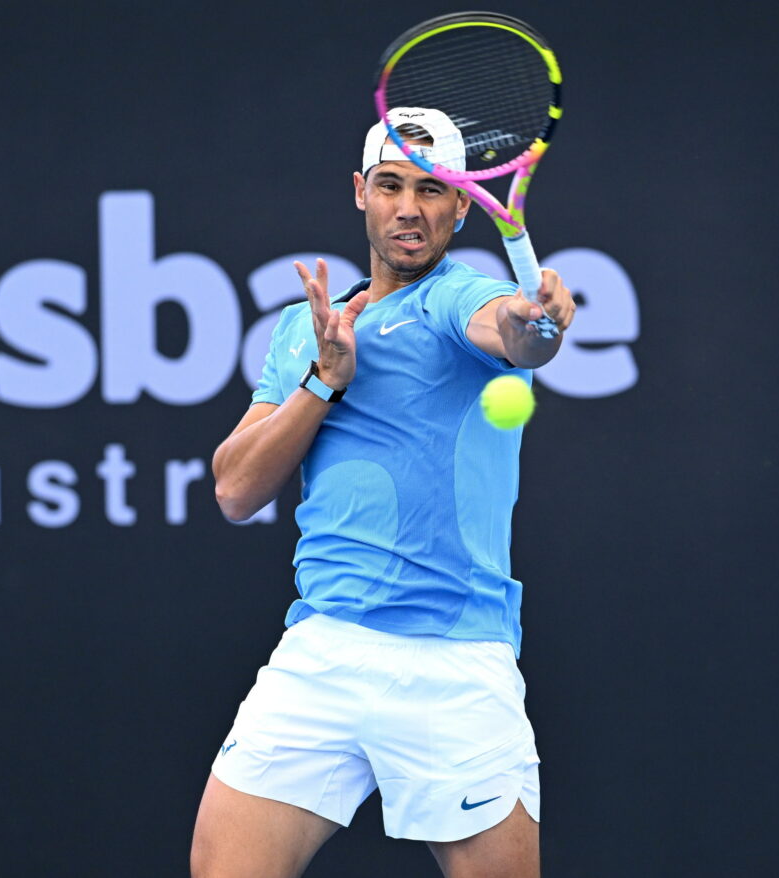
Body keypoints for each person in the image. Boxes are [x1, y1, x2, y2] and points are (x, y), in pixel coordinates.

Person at [189, 107, 576, 878]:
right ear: (360, 192)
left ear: (461, 206)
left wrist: (537, 323)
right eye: (391, 185)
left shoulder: (457, 298)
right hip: (323, 650)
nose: (408, 207)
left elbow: (514, 333)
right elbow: (234, 489)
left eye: (431, 190)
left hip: (454, 666)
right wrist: (322, 382)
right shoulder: (305, 330)